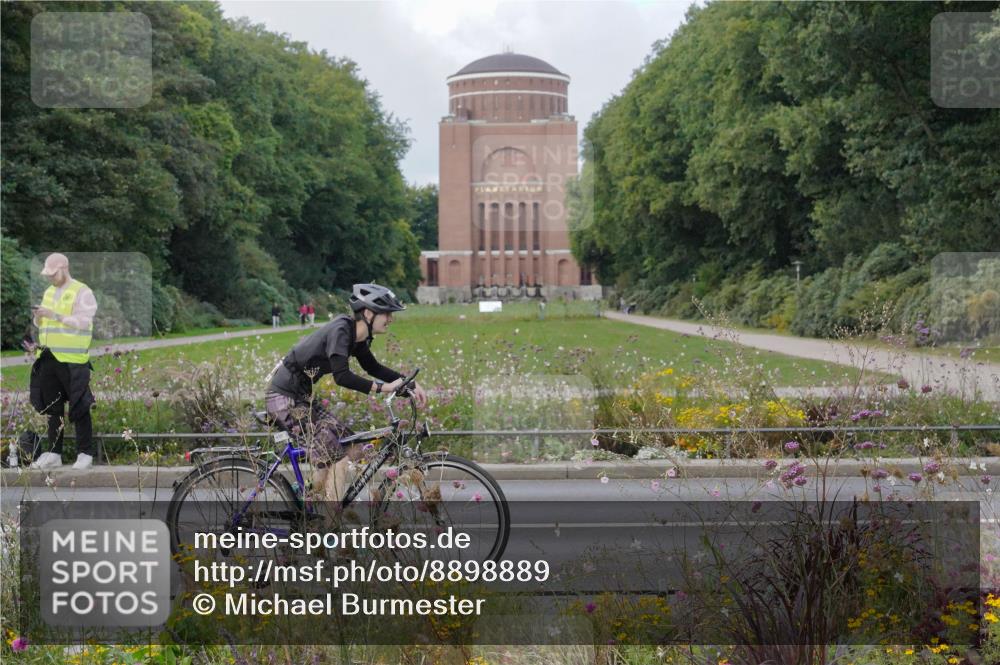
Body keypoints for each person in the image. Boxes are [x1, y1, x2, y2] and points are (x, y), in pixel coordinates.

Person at [264, 283, 427, 502]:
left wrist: (409, 384)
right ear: (369, 313)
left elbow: (373, 368)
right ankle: (331, 529)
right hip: (284, 398)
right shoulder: (341, 329)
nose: (390, 319)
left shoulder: (357, 338)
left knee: (352, 447)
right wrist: (382, 388)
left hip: (302, 399)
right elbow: (342, 376)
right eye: (387, 314)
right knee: (337, 459)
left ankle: (309, 499)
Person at [27, 253, 98, 470]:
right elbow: (41, 324)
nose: (49, 278)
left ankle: (85, 453)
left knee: (79, 406)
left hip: (72, 359)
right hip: (49, 356)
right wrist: (39, 317)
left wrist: (55, 315)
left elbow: (83, 323)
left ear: (64, 268)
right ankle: (54, 453)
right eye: (47, 274)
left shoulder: (82, 292)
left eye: (52, 273)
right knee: (52, 408)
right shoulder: (50, 291)